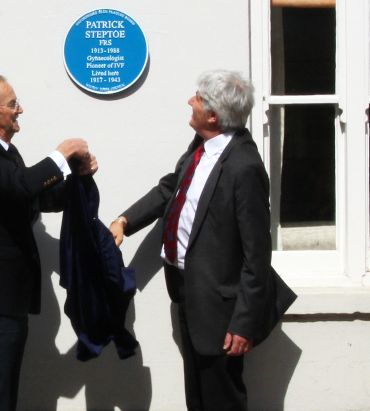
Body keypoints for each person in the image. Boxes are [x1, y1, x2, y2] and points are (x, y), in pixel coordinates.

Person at [109, 70, 296, 411]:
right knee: (198, 397)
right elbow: (171, 187)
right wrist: (125, 221)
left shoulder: (244, 167)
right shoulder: (202, 148)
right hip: (189, 292)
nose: (190, 101)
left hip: (222, 309)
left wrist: (244, 323)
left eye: (197, 98)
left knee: (222, 398)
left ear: (212, 115)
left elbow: (257, 255)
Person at [0, 75, 96, 411]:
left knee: (2, 397)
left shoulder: (4, 154)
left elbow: (35, 198)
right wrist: (61, 155)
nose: (20, 110)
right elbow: (23, 187)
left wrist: (79, 176)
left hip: (1, 300)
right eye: (13, 104)